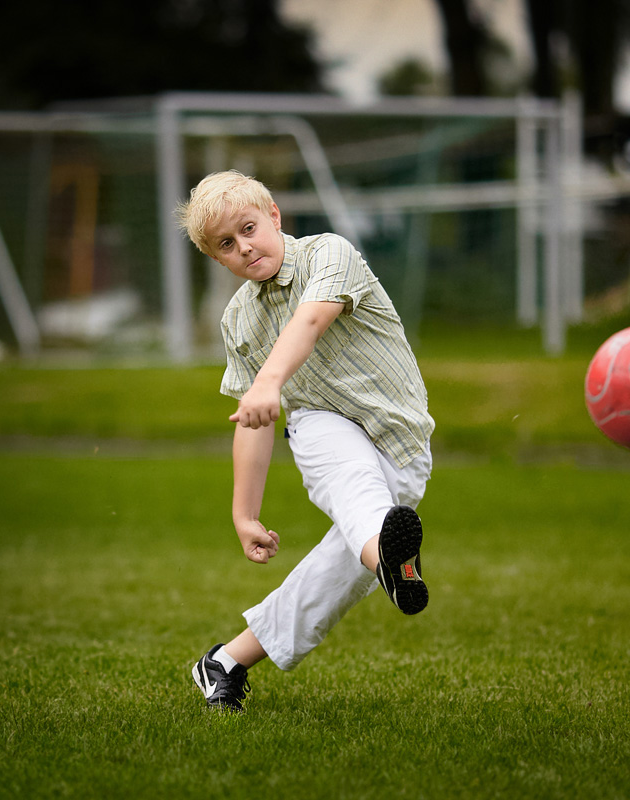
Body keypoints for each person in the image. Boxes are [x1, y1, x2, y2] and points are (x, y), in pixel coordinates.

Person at [175, 170, 435, 711]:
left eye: (248, 228)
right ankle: (386, 557)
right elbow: (254, 420)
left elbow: (313, 318)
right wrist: (244, 514)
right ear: (217, 259)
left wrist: (269, 382)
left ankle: (224, 661)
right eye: (226, 245)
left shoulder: (329, 253)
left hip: (401, 444)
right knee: (336, 458)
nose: (244, 247)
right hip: (324, 424)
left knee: (333, 575)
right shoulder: (239, 319)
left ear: (273, 214)